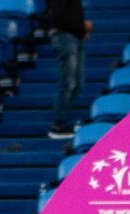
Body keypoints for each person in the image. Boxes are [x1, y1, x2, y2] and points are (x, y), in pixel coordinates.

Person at [46, 0, 91, 139]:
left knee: (77, 84)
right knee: (68, 83)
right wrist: (81, 27)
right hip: (65, 36)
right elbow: (58, 15)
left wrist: (82, 28)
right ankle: (58, 126)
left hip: (75, 35)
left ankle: (60, 120)